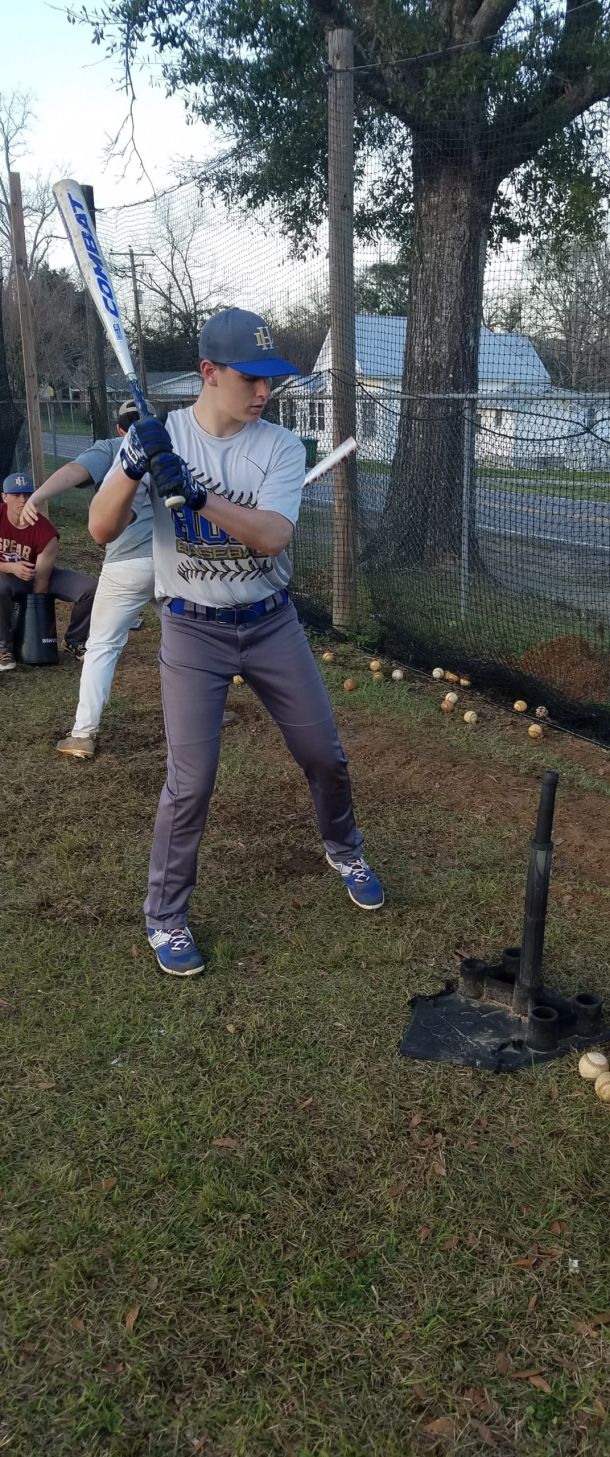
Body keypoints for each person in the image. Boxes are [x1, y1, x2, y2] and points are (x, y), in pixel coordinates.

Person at [89, 307, 384, 978]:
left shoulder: (279, 446)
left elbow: (272, 536)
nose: (263, 392)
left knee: (324, 754)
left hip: (271, 623)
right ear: (209, 372)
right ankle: (165, 917)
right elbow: (101, 530)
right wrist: (132, 465)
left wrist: (195, 497)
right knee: (190, 782)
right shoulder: (160, 437)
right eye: (250, 378)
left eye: (268, 379)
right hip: (192, 629)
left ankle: (345, 848)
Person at [21, 399, 236, 755]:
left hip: (127, 564)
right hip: (174, 562)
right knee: (189, 639)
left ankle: (83, 734)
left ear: (122, 429)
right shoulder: (173, 446)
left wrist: (38, 495)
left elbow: (76, 470)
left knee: (102, 646)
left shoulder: (114, 446)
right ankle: (207, 712)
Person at [0, 471, 96, 672]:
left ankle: (74, 641)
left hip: (37, 576)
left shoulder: (44, 530)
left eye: (28, 494)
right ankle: (3, 647)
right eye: (16, 495)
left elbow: (41, 581)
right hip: (7, 575)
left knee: (89, 589)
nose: (23, 500)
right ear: (4, 497)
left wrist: (36, 631)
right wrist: (10, 567)